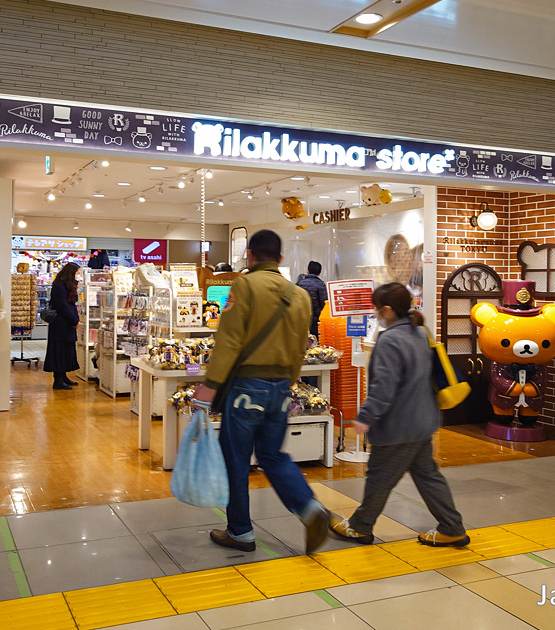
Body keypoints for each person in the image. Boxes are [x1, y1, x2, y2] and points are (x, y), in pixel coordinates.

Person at [193, 230, 330, 554]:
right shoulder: (297, 295)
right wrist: (288, 381)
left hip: (245, 388)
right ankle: (310, 509)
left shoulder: (244, 285)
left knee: (237, 460)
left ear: (250, 255)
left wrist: (209, 386)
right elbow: (302, 344)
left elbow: (229, 340)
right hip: (281, 387)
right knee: (272, 456)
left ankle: (240, 531)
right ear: (280, 259)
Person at [329, 282, 469, 547]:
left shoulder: (390, 339)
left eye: (378, 309)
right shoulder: (420, 331)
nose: (376, 314)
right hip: (423, 420)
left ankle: (360, 526)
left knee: (380, 477)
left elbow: (384, 388)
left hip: (398, 427)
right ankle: (452, 527)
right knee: (428, 476)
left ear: (389, 310)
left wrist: (366, 417)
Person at [44, 262, 81, 390]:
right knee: (59, 351)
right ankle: (58, 379)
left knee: (66, 350)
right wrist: (74, 320)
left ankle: (63, 376)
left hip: (66, 325)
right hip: (60, 325)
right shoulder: (60, 286)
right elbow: (63, 306)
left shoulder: (67, 286)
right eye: (77, 273)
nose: (78, 276)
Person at [296, 261, 328, 339]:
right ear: (319, 273)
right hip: (315, 320)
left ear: (308, 270)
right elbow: (325, 303)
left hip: (300, 317)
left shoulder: (299, 283)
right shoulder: (320, 284)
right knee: (314, 341)